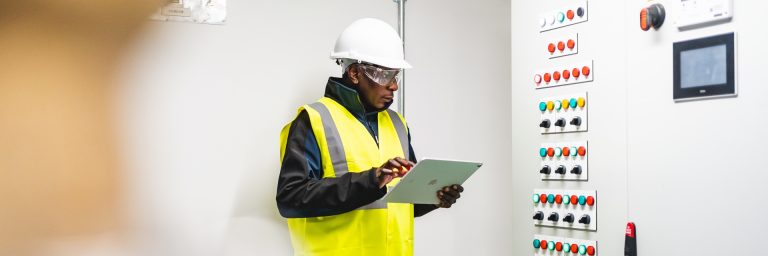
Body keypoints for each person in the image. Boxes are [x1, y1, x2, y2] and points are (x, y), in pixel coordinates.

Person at [276, 18, 464, 256]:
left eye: (396, 76)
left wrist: (434, 198)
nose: (394, 86)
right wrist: (371, 181)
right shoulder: (314, 120)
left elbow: (400, 203)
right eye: (385, 75)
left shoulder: (397, 124)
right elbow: (291, 198)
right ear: (355, 73)